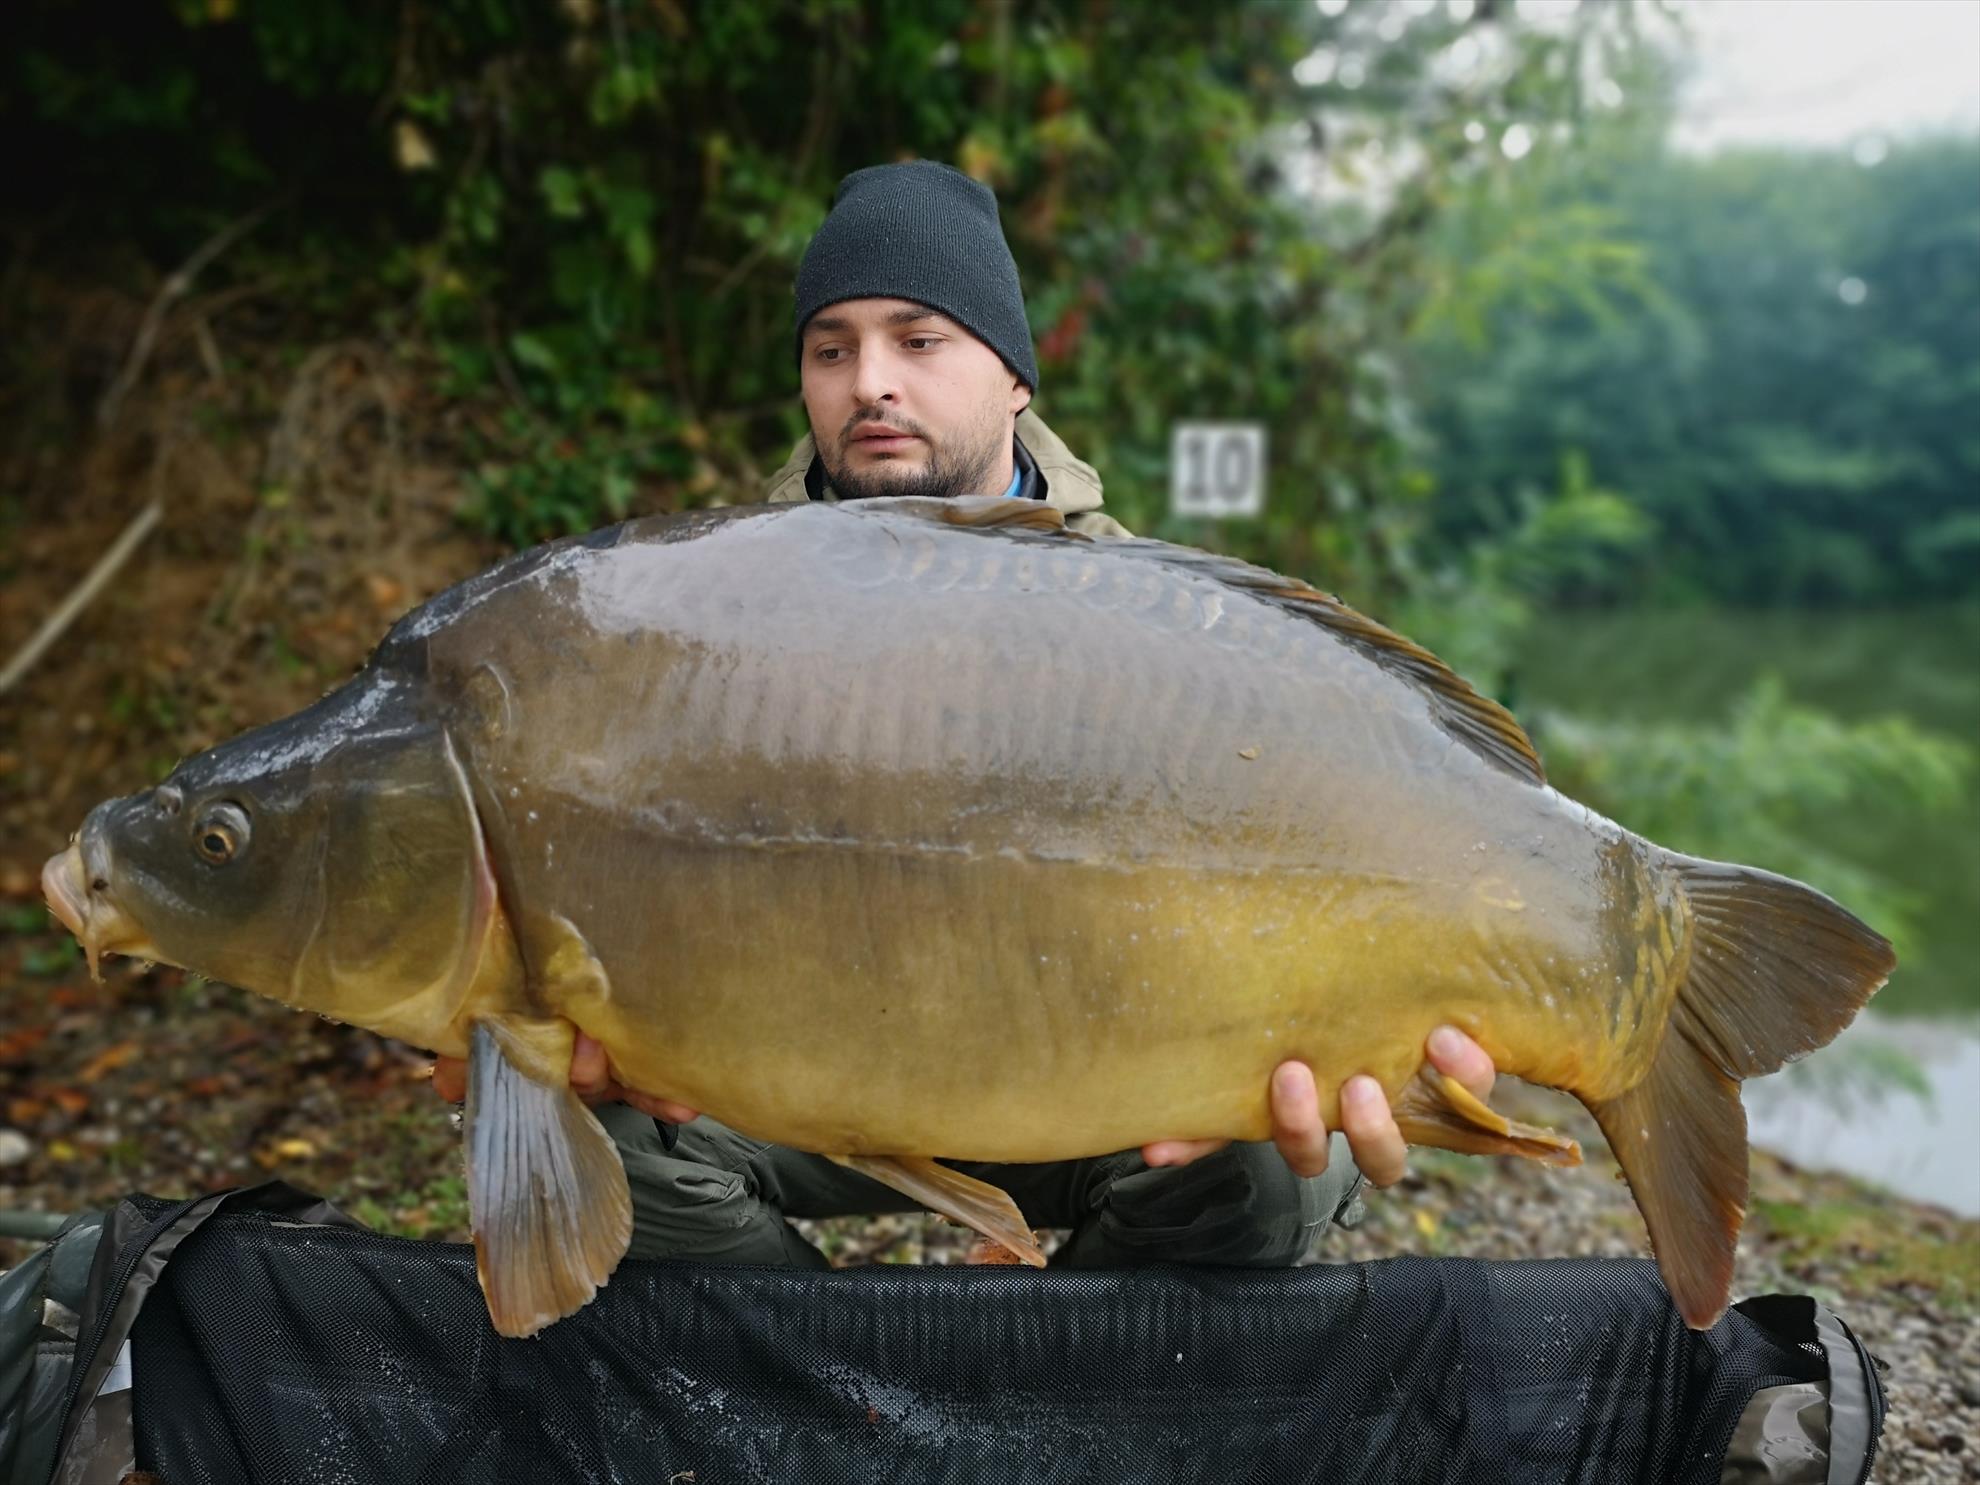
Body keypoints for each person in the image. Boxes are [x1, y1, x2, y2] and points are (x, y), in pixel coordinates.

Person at [434, 159, 1498, 1268]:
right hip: (789, 1077)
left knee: (1280, 1165)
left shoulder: (1160, 625)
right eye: (831, 350)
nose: (870, 383)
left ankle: (1046, 1351)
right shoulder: (704, 621)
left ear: (1015, 378)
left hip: (1083, 1079)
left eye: (919, 340)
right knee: (593, 1126)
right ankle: (834, 1366)